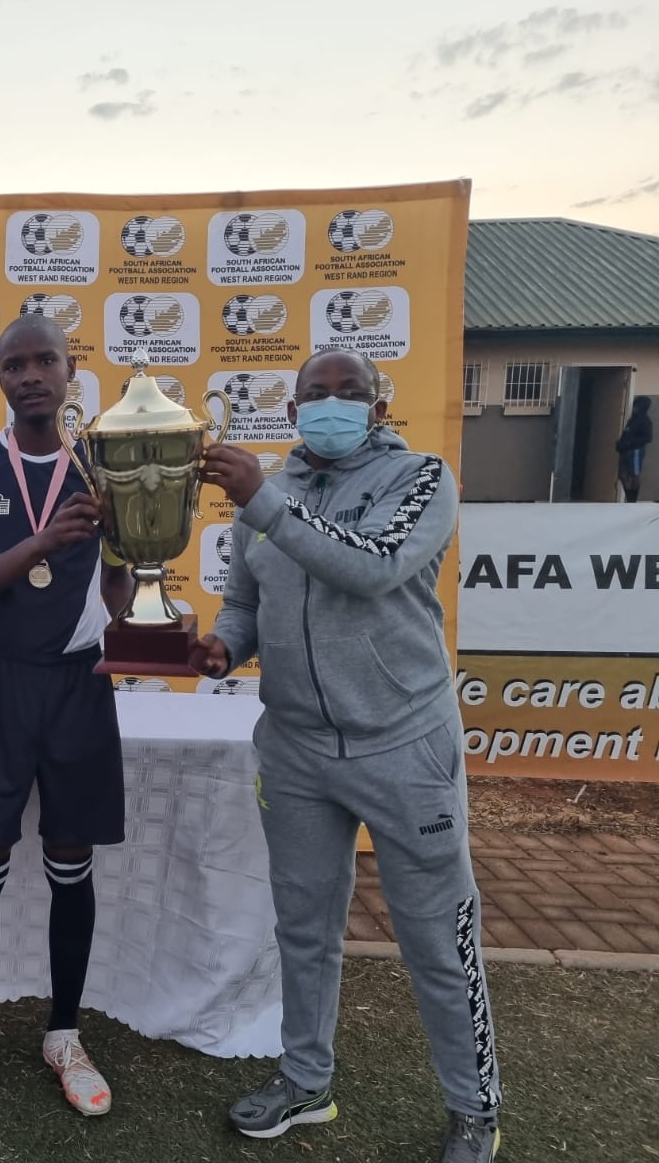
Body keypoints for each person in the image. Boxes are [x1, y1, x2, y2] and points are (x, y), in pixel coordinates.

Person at [193, 348, 501, 1162]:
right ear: (294, 410)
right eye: (317, 394)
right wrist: (224, 647)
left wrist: (263, 501)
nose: (334, 404)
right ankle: (306, 1082)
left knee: (438, 937)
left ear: (378, 406)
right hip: (295, 749)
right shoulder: (270, 493)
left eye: (350, 392)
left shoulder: (421, 478)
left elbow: (373, 566)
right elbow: (244, 602)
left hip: (404, 743)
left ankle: (474, 1108)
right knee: (303, 928)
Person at [0, 314, 131, 1118]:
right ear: (0, 377)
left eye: (46, 360)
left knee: (71, 858)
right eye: (16, 364)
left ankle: (64, 1034)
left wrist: (126, 567)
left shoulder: (104, 467)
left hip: (77, 682)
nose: (32, 374)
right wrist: (43, 542)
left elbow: (119, 587)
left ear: (70, 370)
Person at [616, 395, 651, 502]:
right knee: (622, 475)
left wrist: (631, 442)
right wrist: (620, 443)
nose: (634, 408)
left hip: (636, 451)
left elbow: (648, 438)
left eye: (637, 406)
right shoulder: (632, 419)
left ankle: (632, 500)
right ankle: (629, 496)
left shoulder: (645, 421)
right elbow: (626, 433)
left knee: (635, 474)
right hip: (625, 451)